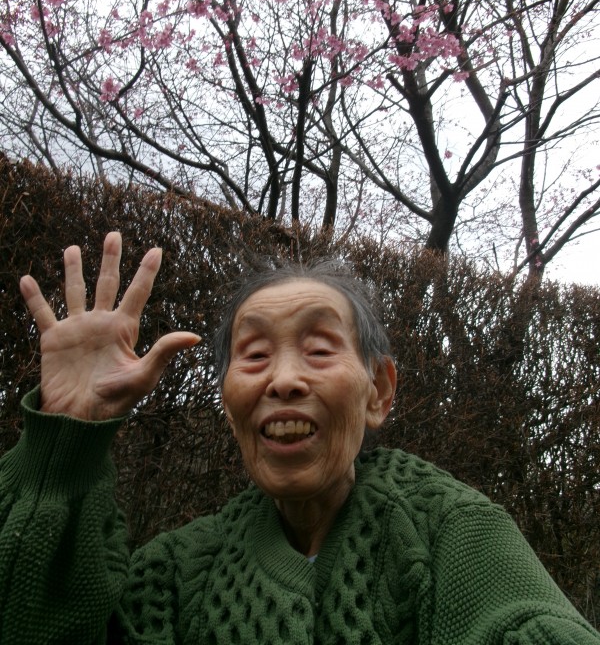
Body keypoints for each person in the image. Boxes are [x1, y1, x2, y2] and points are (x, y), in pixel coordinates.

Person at [0, 232, 598, 645]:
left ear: (378, 392)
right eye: (255, 354)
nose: (284, 379)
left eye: (318, 349)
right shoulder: (176, 572)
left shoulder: (452, 532)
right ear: (228, 404)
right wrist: (66, 443)